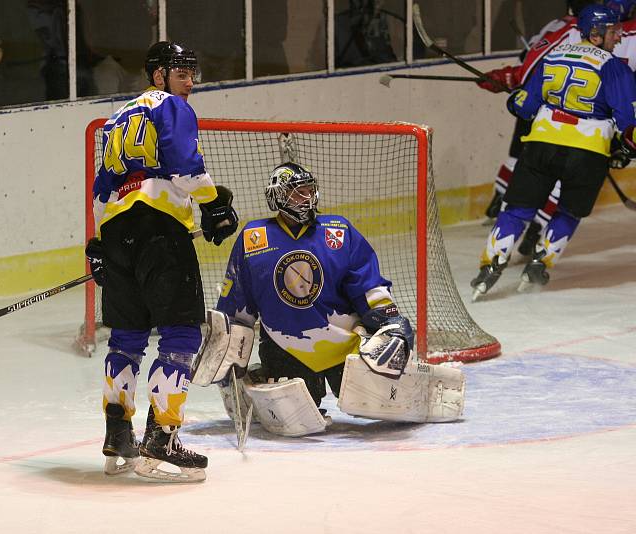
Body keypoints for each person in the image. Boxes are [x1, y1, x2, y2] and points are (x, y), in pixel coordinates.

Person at [204, 162, 462, 438]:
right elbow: (237, 307)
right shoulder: (254, 238)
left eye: (309, 191)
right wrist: (229, 355)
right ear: (276, 197)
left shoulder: (337, 230)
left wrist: (390, 320)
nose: (306, 199)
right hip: (286, 349)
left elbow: (367, 283)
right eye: (296, 193)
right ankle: (262, 374)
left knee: (388, 407)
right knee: (296, 425)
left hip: (345, 347)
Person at [84, 41, 238, 482]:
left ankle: (118, 434)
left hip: (116, 234)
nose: (189, 82)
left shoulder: (118, 119)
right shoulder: (171, 107)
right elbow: (185, 166)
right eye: (181, 73)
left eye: (192, 73)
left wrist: (99, 244)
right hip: (159, 234)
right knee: (182, 335)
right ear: (158, 76)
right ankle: (162, 439)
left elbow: (102, 189)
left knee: (126, 339)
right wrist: (212, 204)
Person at [471, 4, 636, 300]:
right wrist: (627, 149)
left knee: (517, 208)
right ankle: (538, 265)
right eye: (613, 31)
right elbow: (629, 123)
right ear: (596, 34)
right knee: (569, 211)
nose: (618, 37)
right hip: (587, 153)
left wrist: (516, 99)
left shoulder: (554, 57)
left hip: (540, 147)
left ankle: (489, 266)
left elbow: (521, 106)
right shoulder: (615, 68)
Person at [477, 0, 600, 257]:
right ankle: (534, 233)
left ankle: (503, 206)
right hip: (573, 122)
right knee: (559, 178)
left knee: (523, 161)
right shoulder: (590, 33)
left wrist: (509, 77)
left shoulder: (556, 26)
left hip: (539, 111)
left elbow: (529, 61)